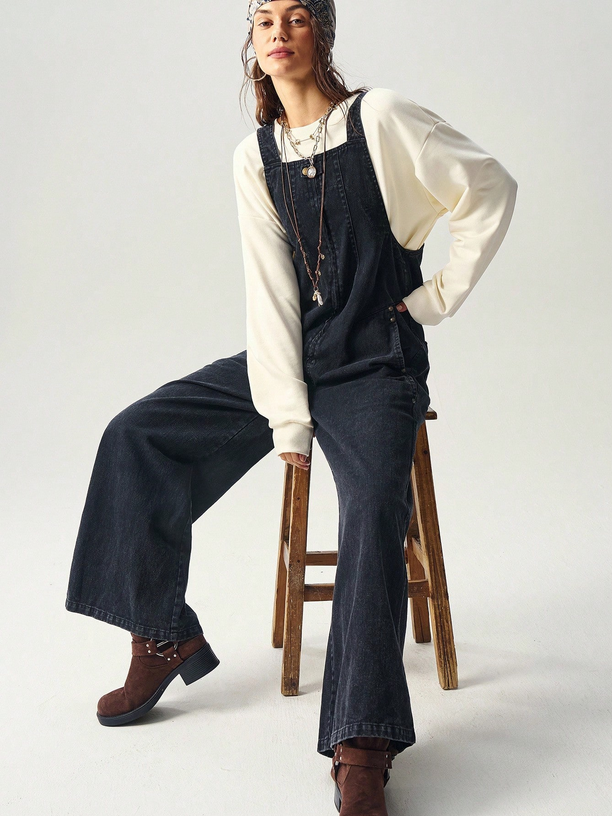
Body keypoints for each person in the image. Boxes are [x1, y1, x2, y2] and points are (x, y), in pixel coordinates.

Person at [64, 1, 518, 813]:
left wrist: (434, 297)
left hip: (375, 361)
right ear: (253, 44)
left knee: (377, 503)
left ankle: (362, 740)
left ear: (322, 36)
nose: (279, 32)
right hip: (294, 355)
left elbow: (490, 187)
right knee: (136, 434)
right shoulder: (255, 157)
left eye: (297, 16)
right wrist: (287, 417)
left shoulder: (379, 119)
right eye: (263, 19)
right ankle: (161, 633)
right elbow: (271, 294)